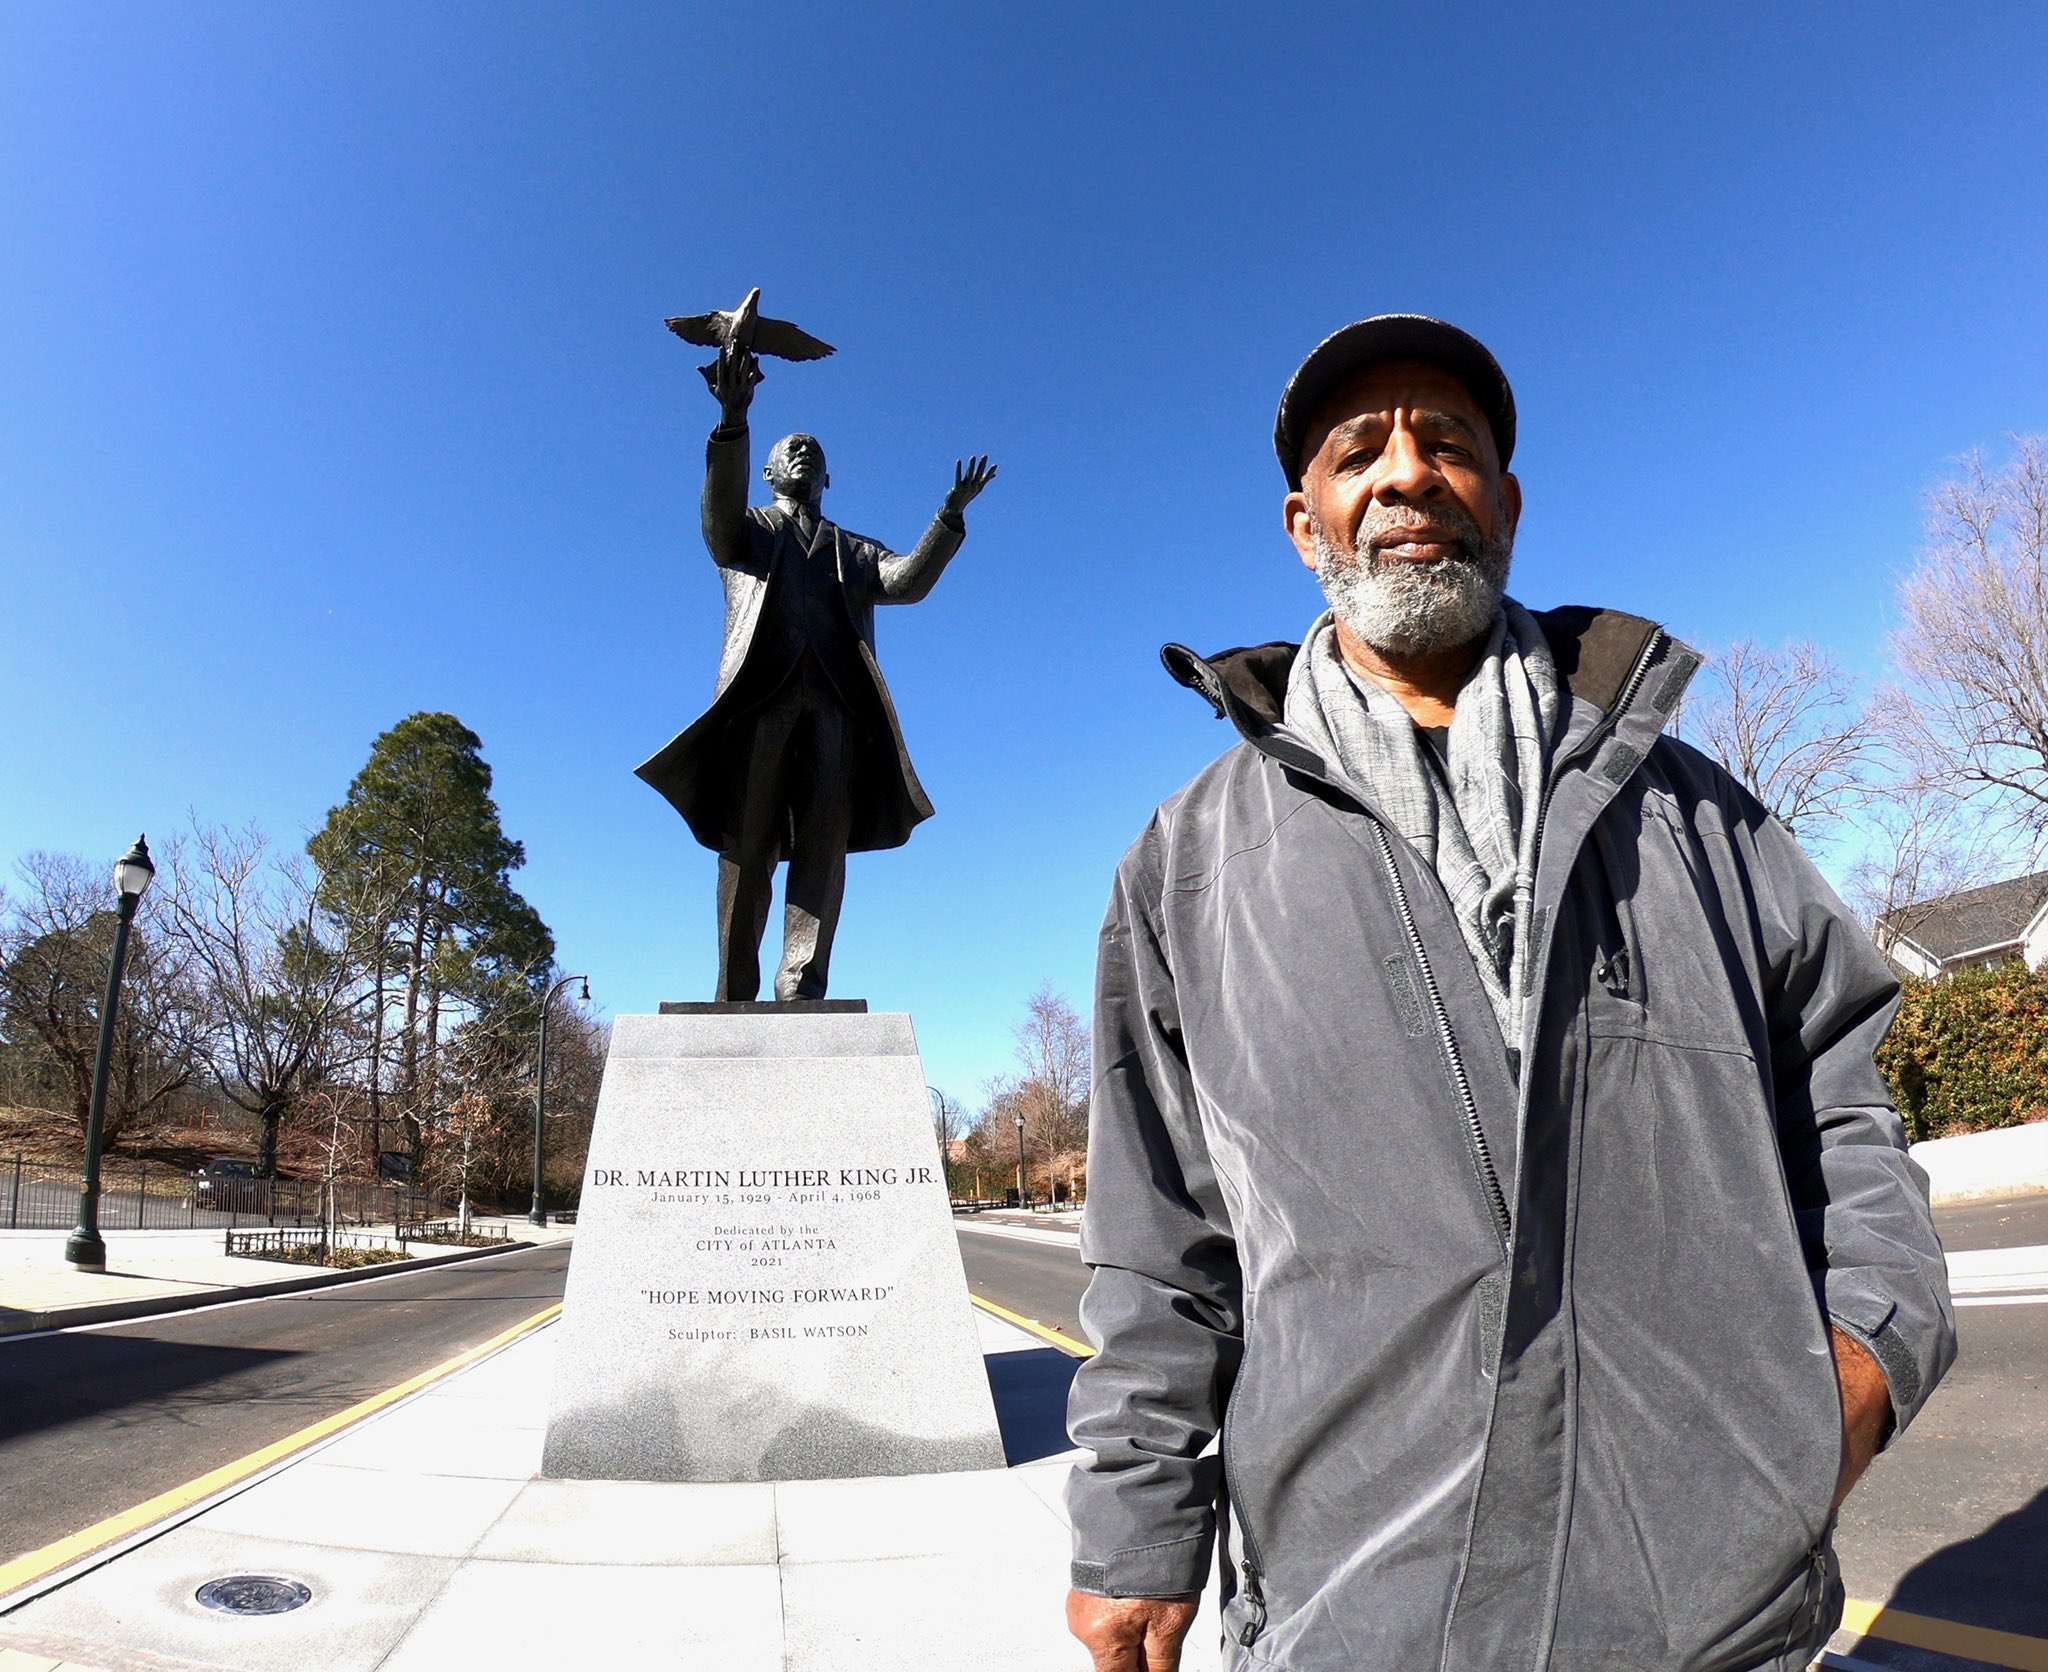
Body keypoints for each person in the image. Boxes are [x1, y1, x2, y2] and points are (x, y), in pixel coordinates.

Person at [1063, 315, 1955, 1671]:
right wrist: (1137, 1526)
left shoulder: (1697, 816)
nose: (1406, 474)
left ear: (1506, 502)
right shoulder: (1186, 867)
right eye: (1359, 453)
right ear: (1304, 524)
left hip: (1716, 1619)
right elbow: (1156, 1238)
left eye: (1448, 444)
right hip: (1356, 1620)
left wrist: (1859, 1374)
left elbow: (1847, 1105)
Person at [635, 337, 995, 1000]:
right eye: (791, 449)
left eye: (815, 451)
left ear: (829, 480)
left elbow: (907, 582)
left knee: (823, 849)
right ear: (769, 474)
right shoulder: (749, 533)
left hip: (835, 712)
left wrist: (947, 519)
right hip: (758, 707)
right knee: (749, 845)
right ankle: (734, 986)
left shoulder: (853, 550)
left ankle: (802, 984)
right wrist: (733, 421)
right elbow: (717, 518)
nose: (804, 451)